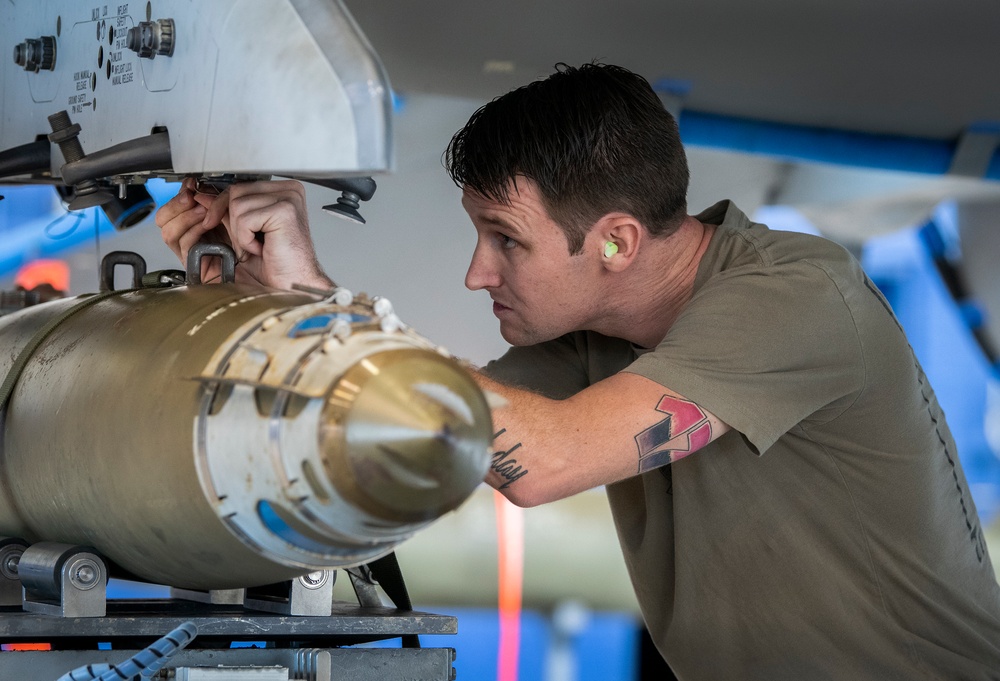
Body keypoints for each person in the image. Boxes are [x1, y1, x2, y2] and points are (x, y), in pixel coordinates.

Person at [156, 63, 1000, 679]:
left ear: (616, 241)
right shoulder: (598, 327)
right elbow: (430, 413)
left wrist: (313, 298)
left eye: (506, 240)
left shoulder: (797, 297)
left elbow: (541, 459)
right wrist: (277, 290)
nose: (476, 272)